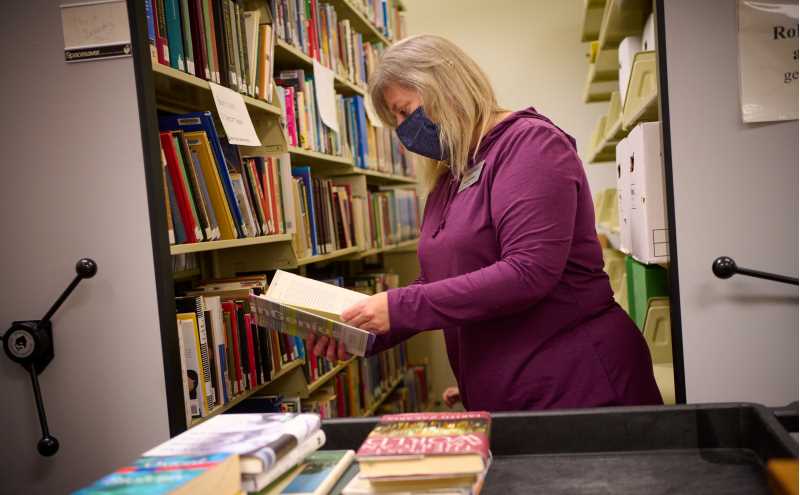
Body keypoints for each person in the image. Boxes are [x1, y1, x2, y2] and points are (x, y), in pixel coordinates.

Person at [308, 34, 662, 411]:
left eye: (405, 111)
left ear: (444, 85)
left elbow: (528, 272)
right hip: (517, 391)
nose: (404, 130)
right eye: (395, 120)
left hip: (579, 386)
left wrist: (397, 305)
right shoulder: (452, 175)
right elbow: (441, 281)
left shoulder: (532, 146)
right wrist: (359, 330)